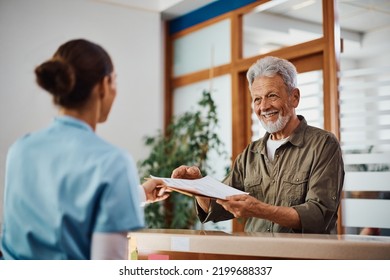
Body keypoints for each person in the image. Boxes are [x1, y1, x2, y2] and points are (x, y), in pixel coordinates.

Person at [0, 39, 169, 260]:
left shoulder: (20, 150)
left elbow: (58, 206)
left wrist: (140, 193)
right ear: (104, 85)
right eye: (115, 81)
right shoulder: (113, 161)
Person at [172, 56, 344, 234]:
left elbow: (319, 215)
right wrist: (199, 187)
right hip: (255, 256)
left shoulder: (323, 145)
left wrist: (260, 209)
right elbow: (219, 207)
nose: (264, 106)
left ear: (294, 97)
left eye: (272, 96)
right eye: (257, 99)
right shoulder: (250, 154)